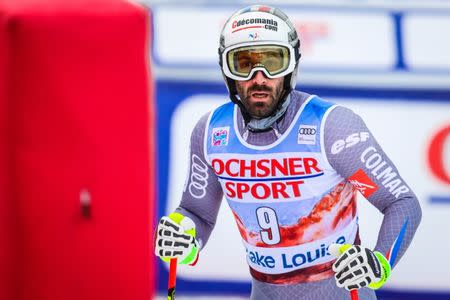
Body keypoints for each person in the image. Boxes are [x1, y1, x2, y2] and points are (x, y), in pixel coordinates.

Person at [155, 5, 422, 300]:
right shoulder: (211, 133)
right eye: (243, 63)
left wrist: (379, 262)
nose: (259, 78)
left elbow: (400, 203)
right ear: (226, 70)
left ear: (292, 65)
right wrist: (184, 236)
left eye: (273, 61)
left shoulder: (332, 128)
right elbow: (197, 214)